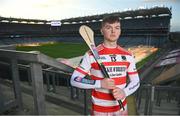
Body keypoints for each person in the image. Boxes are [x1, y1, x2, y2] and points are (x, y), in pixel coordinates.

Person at [70, 15, 140, 115]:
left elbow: (136, 81)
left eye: (117, 28)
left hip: (122, 109)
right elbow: (74, 79)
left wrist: (125, 92)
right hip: (100, 111)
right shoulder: (90, 55)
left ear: (120, 30)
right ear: (102, 31)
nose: (113, 31)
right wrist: (99, 84)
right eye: (108, 27)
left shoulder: (128, 55)